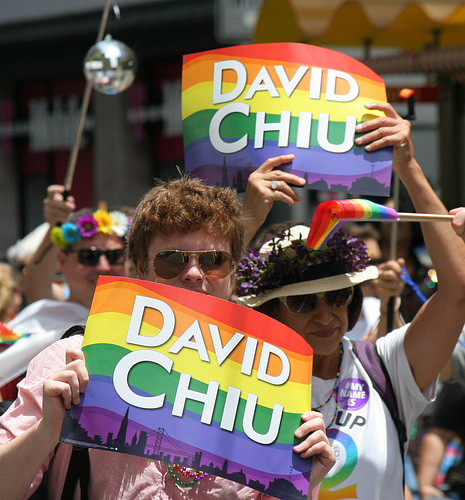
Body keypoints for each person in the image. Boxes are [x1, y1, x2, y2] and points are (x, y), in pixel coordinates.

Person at [0, 176, 335, 499]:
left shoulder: (267, 377)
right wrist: (45, 432)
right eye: (171, 260)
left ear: (233, 274)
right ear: (139, 269)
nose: (193, 273)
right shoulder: (74, 359)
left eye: (214, 261)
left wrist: (304, 481)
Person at [236, 101, 465, 499]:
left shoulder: (387, 367)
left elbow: (457, 291)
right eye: (304, 303)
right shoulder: (238, 377)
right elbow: (197, 303)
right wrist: (248, 217)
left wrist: (407, 166)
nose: (326, 314)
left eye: (339, 295)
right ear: (272, 309)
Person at [0, 205, 131, 391]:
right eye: (88, 256)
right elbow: (35, 282)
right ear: (61, 261)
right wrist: (55, 223)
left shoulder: (143, 324)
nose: (103, 267)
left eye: (114, 255)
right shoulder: (45, 317)